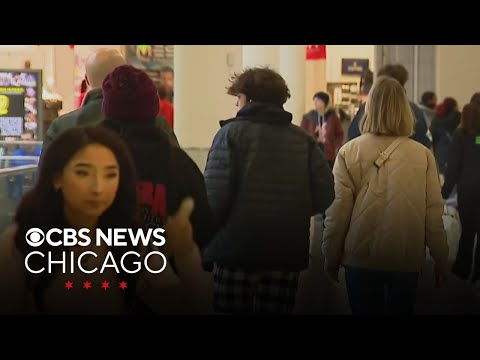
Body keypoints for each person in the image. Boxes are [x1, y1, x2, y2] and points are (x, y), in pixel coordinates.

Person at [0, 126, 211, 314]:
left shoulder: (134, 241)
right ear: (57, 178)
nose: (98, 188)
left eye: (110, 175)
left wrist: (186, 253)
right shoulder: (20, 242)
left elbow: (184, 305)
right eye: (83, 173)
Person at [203, 67, 335, 314]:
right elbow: (326, 193)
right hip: (284, 252)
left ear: (249, 99)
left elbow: (214, 198)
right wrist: (294, 211)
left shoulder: (229, 135)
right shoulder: (303, 139)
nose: (236, 105)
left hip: (234, 251)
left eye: (238, 98)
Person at [322, 76, 448, 315]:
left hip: (361, 257)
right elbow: (433, 213)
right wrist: (441, 258)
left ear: (369, 109)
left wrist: (330, 255)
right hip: (406, 258)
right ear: (404, 110)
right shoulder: (422, 155)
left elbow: (337, 210)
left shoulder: (349, 151)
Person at [99, 65, 216, 257]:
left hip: (96, 275)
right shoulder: (178, 163)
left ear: (107, 109)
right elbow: (205, 228)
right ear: (153, 109)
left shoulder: (86, 160)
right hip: (165, 274)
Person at [43, 49, 178, 155]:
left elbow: (45, 181)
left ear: (87, 80)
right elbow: (180, 173)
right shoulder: (156, 124)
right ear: (126, 75)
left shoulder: (61, 128)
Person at [347, 64, 431, 149]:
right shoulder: (415, 112)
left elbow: (352, 138)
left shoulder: (365, 109)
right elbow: (424, 143)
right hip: (406, 159)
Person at [442, 103, 480, 286]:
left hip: (467, 188)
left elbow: (453, 166)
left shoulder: (460, 135)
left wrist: (444, 191)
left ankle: (462, 269)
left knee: (468, 230)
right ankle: (478, 272)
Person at [300, 92, 344, 168]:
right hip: (312, 152)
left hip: (328, 153)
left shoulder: (332, 117)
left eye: (318, 101)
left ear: (324, 102)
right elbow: (301, 133)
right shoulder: (308, 117)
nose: (315, 103)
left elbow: (340, 133)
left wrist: (335, 146)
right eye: (314, 101)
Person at [430, 97, 461, 174]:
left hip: (439, 151)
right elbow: (475, 140)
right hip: (456, 155)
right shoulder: (457, 118)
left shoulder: (436, 119)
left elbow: (431, 136)